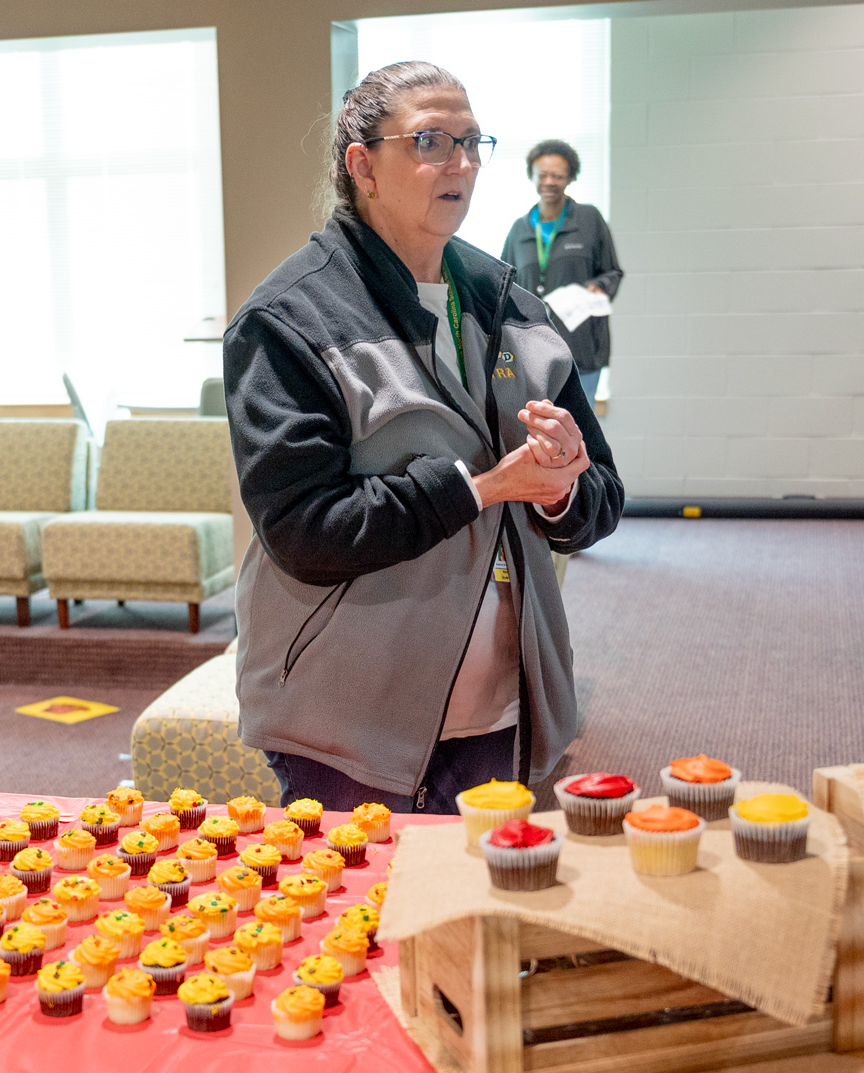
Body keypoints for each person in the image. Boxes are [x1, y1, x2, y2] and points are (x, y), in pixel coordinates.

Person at [222, 62, 623, 814]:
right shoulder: (287, 321)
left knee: (474, 924)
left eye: (473, 143)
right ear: (363, 165)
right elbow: (305, 530)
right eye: (432, 141)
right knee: (352, 928)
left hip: (506, 710)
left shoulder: (512, 304)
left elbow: (602, 497)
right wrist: (479, 488)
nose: (462, 165)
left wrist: (564, 481)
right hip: (347, 723)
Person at [500, 139, 622, 405]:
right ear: (532, 176)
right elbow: (503, 286)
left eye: (557, 175)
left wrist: (597, 288)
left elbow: (612, 272)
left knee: (580, 432)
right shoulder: (519, 229)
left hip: (581, 347)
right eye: (542, 175)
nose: (549, 182)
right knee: (537, 430)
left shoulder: (589, 219)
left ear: (570, 177)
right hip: (532, 349)